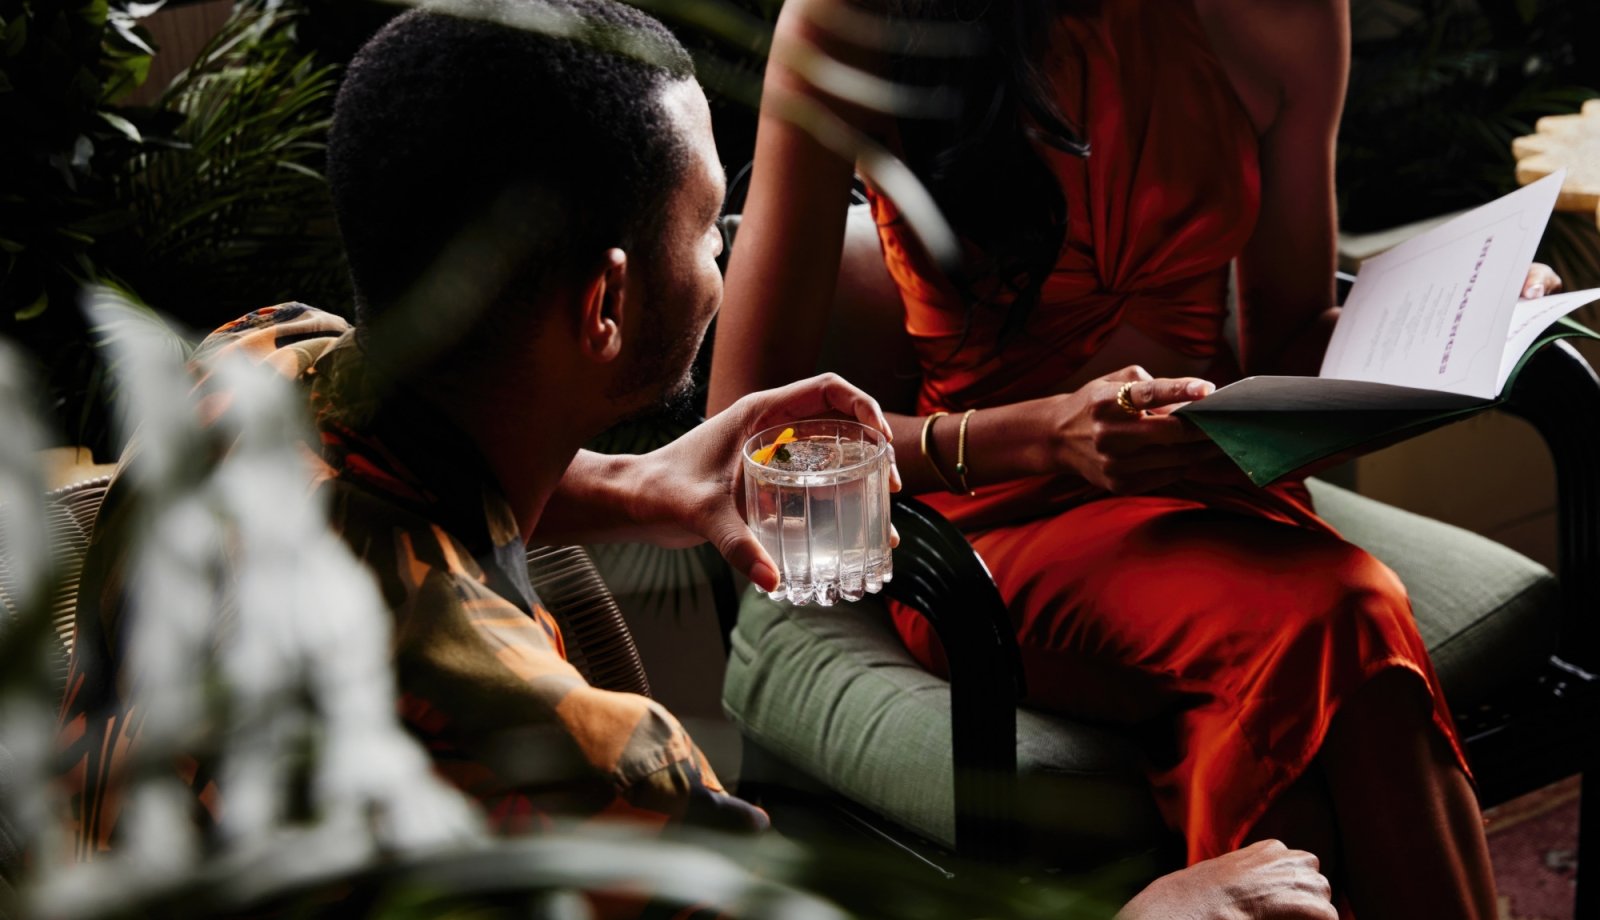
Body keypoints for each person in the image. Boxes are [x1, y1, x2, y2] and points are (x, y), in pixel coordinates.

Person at [58, 0, 1335, 915]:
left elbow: (389, 477)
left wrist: (642, 485)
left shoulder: (254, 367)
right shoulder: (587, 755)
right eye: (709, 228)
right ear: (608, 303)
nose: (726, 256)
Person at [709, 1, 1561, 918]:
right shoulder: (856, 18)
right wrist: (1045, 432)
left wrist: (1461, 317)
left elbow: (1286, 337)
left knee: (1297, 720)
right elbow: (744, 448)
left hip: (1218, 496)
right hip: (985, 515)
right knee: (1345, 617)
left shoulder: (1294, 15)